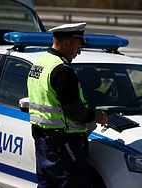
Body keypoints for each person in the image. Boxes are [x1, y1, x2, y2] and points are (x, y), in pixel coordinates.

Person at [27, 22, 108, 188]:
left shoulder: (40, 63)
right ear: (66, 43)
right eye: (78, 46)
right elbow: (74, 111)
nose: (79, 52)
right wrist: (95, 116)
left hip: (44, 143)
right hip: (64, 146)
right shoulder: (62, 70)